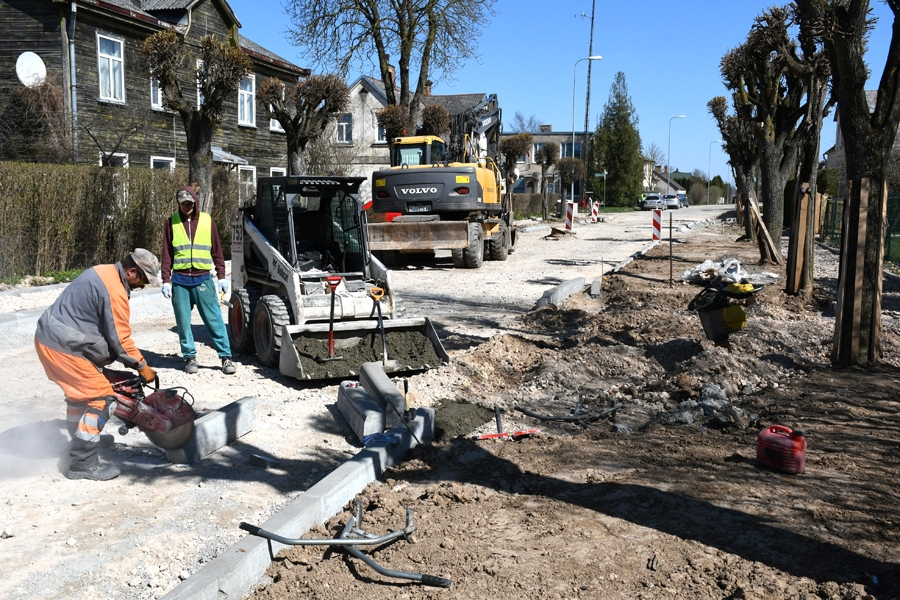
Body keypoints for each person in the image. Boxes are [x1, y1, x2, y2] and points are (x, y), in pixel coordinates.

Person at [34, 249, 161, 481]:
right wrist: (142, 366)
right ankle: (82, 463)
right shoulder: (114, 290)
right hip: (63, 349)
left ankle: (80, 439)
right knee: (102, 399)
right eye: (143, 280)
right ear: (132, 271)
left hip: (52, 340)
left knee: (80, 395)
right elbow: (120, 339)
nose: (142, 286)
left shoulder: (104, 271)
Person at [160, 185, 236, 375]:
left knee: (214, 319)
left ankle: (226, 357)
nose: (186, 206)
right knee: (183, 322)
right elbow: (167, 254)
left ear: (195, 202)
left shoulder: (207, 221)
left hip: (203, 279)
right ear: (178, 204)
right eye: (183, 203)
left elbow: (217, 251)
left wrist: (221, 276)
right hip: (180, 281)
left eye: (189, 203)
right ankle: (190, 358)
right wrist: (166, 279)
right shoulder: (171, 223)